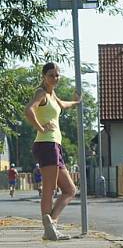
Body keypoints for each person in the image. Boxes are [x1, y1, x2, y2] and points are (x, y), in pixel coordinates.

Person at [24, 62, 81, 241]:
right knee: (49, 189)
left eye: (57, 75)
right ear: (43, 76)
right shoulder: (41, 93)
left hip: (54, 145)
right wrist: (41, 127)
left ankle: (52, 225)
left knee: (70, 190)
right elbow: (28, 110)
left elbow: (62, 105)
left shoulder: (52, 94)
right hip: (46, 144)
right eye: (51, 75)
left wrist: (76, 102)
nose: (55, 78)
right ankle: (49, 229)